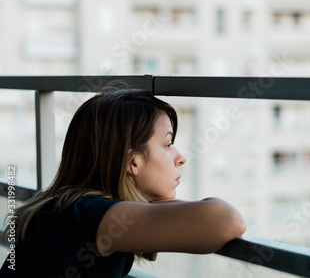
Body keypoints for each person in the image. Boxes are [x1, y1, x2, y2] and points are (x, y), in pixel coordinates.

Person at [0, 86, 246, 277]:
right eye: (168, 144)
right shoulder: (93, 215)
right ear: (133, 163)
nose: (180, 158)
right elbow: (225, 220)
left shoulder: (73, 208)